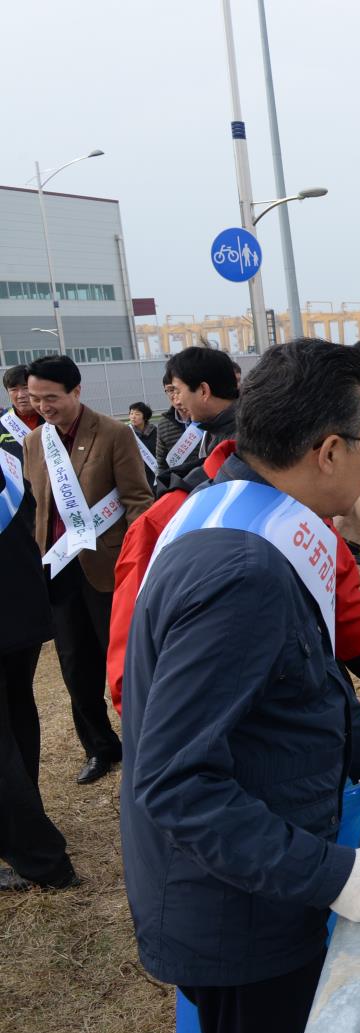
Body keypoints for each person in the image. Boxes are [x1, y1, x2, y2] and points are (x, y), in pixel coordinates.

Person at [120, 337, 360, 1033]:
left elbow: (304, 675)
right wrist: (332, 875)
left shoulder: (236, 510)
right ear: (326, 450)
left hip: (254, 877)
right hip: (237, 910)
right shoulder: (242, 572)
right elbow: (173, 780)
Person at [107, 437, 360, 718]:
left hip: (313, 715)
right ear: (327, 449)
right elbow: (132, 662)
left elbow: (341, 598)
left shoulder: (301, 503)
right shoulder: (166, 522)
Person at [21, 355, 153, 784]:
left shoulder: (113, 434)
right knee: (76, 667)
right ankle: (99, 748)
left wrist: (139, 564)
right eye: (36, 398)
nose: (43, 406)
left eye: (52, 398)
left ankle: (145, 744)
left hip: (108, 567)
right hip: (58, 570)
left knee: (125, 662)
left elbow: (137, 502)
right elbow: (33, 507)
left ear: (76, 391)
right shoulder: (35, 441)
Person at [1, 428, 79, 892]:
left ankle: (41, 858)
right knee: (17, 717)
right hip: (21, 613)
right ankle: (28, 814)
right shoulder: (7, 454)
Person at [157, 346, 239, 497]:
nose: (177, 400)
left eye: (178, 391)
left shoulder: (247, 437)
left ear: (203, 391)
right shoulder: (214, 429)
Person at [2, 365, 42, 445]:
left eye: (26, 387)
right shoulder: (3, 421)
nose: (21, 395)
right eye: (13, 389)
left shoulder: (54, 418)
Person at [152, 375, 187, 463]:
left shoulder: (203, 417)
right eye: (170, 390)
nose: (175, 395)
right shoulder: (164, 424)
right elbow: (162, 463)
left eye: (177, 389)